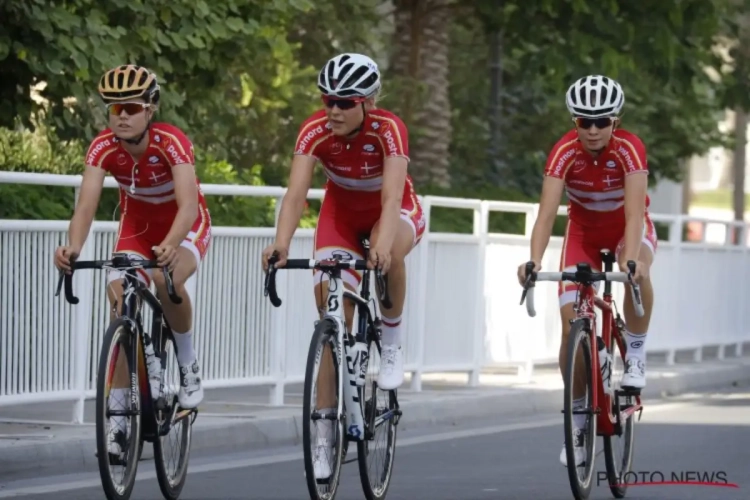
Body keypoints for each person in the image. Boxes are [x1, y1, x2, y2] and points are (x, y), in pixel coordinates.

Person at [261, 53, 425, 478]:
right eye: (328, 99)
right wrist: (280, 243)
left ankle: (391, 342)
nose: (333, 110)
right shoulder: (315, 130)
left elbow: (391, 199)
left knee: (390, 259)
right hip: (341, 214)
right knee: (330, 313)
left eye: (345, 102)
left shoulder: (389, 130)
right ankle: (323, 436)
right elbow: (296, 196)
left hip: (392, 210)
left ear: (368, 102)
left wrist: (383, 245)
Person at [54, 64, 211, 459]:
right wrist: (72, 248)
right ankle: (120, 423)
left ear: (150, 109)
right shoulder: (102, 146)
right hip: (137, 226)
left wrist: (173, 243)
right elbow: (86, 207)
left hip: (182, 222)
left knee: (166, 278)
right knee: (118, 299)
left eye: (130, 108)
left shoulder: (170, 141)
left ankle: (188, 364)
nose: (121, 116)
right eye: (114, 109)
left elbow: (189, 205)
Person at [516, 75, 655, 468]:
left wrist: (630, 260)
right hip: (583, 233)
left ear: (617, 120)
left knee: (638, 269)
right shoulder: (564, 151)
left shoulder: (630, 149)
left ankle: (638, 353)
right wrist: (534, 261)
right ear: (574, 122)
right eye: (583, 122)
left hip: (627, 227)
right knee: (568, 327)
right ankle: (578, 417)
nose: (593, 130)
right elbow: (546, 216)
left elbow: (633, 215)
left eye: (602, 122)